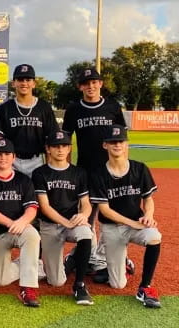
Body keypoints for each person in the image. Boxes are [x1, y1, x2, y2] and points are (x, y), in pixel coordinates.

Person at [0, 63, 58, 280]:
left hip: (37, 161)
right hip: (14, 162)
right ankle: (7, 249)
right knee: (9, 203)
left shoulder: (44, 108)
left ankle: (36, 258)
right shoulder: (6, 108)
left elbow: (52, 142)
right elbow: (0, 139)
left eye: (28, 79)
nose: (24, 83)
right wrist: (5, 164)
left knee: (36, 207)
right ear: (14, 83)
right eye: (20, 79)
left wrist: (50, 169)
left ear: (34, 83)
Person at [62, 67, 130, 283]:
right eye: (86, 83)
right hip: (86, 170)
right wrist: (69, 167)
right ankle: (87, 255)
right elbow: (66, 140)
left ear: (100, 84)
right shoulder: (74, 109)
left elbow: (122, 139)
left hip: (112, 171)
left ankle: (109, 258)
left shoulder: (112, 106)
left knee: (114, 217)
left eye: (94, 82)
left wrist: (123, 166)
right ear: (80, 86)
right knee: (87, 216)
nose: (90, 86)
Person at [90, 125, 162, 308]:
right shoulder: (98, 174)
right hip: (111, 228)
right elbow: (105, 210)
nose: (117, 145)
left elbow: (148, 199)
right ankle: (122, 263)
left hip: (136, 223)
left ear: (127, 144)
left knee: (154, 236)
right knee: (117, 284)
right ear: (105, 145)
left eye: (120, 141)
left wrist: (148, 215)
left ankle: (145, 287)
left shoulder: (139, 168)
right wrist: (132, 223)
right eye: (113, 142)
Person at [0, 138, 41, 307]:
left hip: (19, 229)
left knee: (32, 235)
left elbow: (32, 208)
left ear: (14, 157)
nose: (3, 157)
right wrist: (12, 223)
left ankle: (28, 288)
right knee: (0, 280)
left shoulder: (24, 180)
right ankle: (31, 264)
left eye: (7, 154)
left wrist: (22, 222)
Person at [31, 130, 94, 305]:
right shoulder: (40, 173)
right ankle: (71, 261)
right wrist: (65, 222)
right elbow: (44, 206)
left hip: (73, 222)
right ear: (48, 149)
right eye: (55, 146)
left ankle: (79, 285)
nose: (60, 149)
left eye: (64, 146)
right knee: (56, 282)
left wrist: (84, 216)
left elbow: (86, 202)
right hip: (50, 225)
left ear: (69, 149)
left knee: (86, 234)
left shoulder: (79, 173)